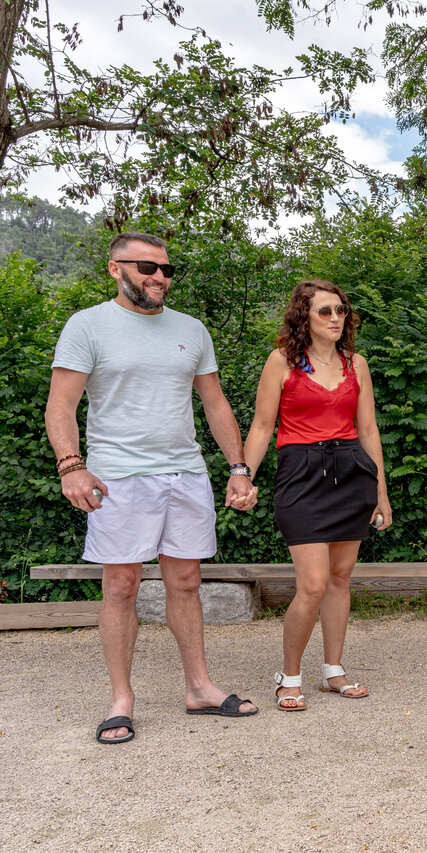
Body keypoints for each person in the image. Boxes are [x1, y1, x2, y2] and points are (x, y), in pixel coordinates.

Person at [45, 231, 261, 745]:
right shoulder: (88, 325)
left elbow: (215, 404)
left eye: (166, 269)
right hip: (118, 475)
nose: (159, 276)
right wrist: (71, 465)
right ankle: (121, 701)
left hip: (185, 473)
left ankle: (200, 688)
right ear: (115, 269)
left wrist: (238, 467)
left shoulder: (191, 329)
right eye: (146, 267)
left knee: (186, 583)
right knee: (121, 586)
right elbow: (61, 405)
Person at [243, 280, 392, 711]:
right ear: (303, 316)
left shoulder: (355, 364)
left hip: (352, 472)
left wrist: (381, 493)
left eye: (340, 310)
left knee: (340, 579)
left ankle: (333, 671)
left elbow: (368, 431)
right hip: (301, 475)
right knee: (311, 584)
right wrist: (243, 476)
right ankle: (288, 676)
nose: (334, 318)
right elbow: (260, 427)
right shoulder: (282, 362)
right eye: (324, 311)